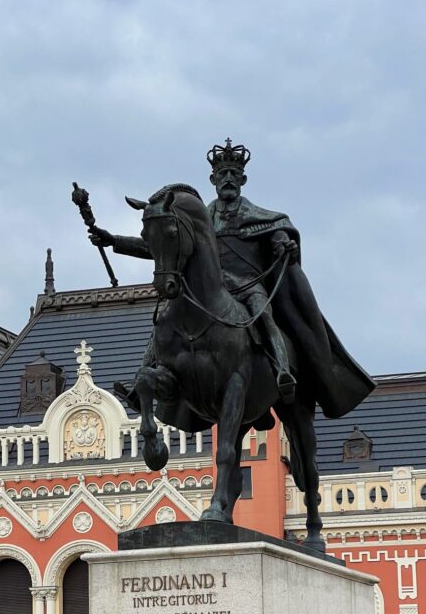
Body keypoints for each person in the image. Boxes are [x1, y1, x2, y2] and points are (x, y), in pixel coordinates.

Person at [89, 140, 374, 419]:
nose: (228, 179)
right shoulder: (201, 218)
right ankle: (142, 383)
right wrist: (114, 241)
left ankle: (282, 370)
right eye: (222, 174)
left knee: (264, 315)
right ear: (213, 180)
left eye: (233, 174)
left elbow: (277, 236)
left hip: (249, 286)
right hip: (212, 288)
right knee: (164, 321)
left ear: (242, 180)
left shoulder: (259, 217)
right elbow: (161, 245)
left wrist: (283, 243)